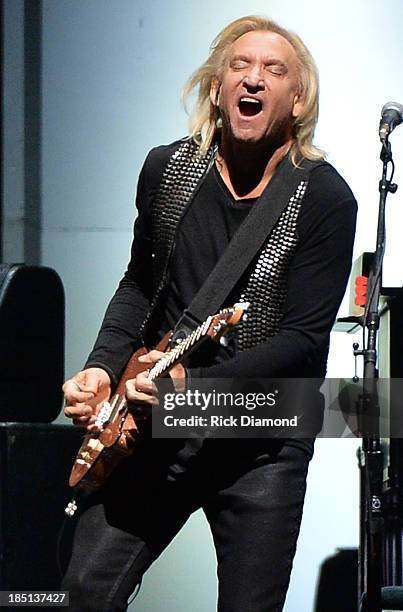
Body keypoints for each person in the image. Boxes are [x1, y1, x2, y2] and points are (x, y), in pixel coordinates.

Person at [62, 15, 357, 612]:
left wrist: (191, 387)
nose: (254, 79)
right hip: (158, 427)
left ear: (297, 101)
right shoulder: (167, 170)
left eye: (274, 71)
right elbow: (140, 286)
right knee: (77, 593)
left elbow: (302, 342)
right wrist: (101, 365)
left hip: (260, 435)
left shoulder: (323, 196)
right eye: (239, 66)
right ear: (216, 87)